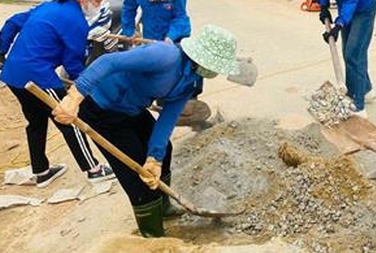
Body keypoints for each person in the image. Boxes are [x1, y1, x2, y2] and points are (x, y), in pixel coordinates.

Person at [51, 25, 242, 238]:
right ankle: (151, 233)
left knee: (164, 151)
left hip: (131, 108)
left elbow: (168, 118)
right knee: (134, 170)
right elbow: (108, 62)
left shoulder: (190, 80)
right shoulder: (165, 56)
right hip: (100, 107)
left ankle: (163, 207)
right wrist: (75, 96)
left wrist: (155, 158)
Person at [0, 0, 114, 188]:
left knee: (36, 121)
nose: (98, 6)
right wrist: (90, 85)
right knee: (68, 118)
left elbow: (13, 22)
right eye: (97, 0)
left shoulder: (48, 7)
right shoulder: (75, 20)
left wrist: (0, 52)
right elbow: (73, 63)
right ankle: (93, 169)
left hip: (14, 74)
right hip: (37, 76)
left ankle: (41, 172)